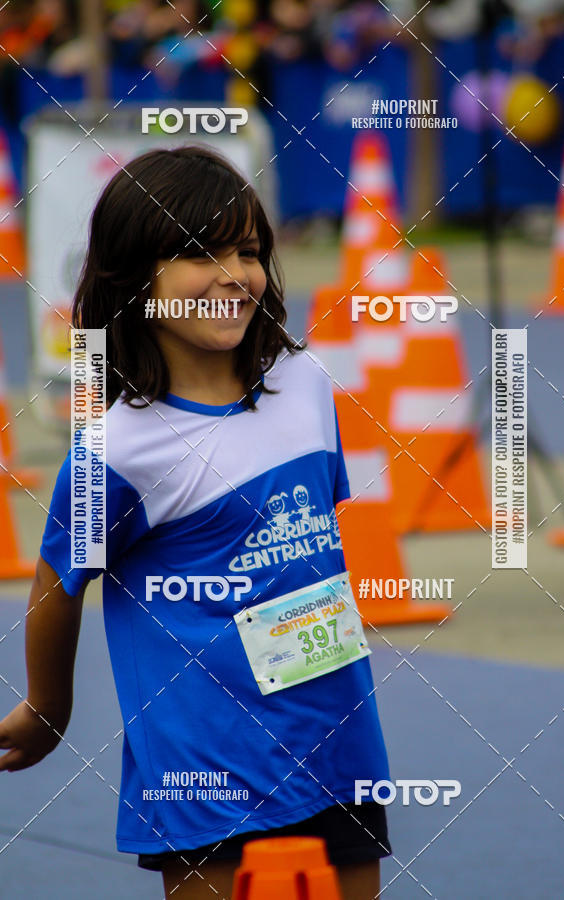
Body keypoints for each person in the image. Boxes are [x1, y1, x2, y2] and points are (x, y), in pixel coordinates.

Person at [0, 145, 392, 899]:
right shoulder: (116, 450)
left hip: (339, 747)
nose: (232, 274)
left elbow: (311, 545)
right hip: (206, 770)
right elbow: (58, 579)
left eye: (246, 251)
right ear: (133, 277)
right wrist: (48, 709)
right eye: (198, 253)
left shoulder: (307, 384)